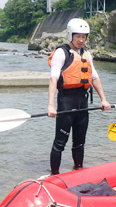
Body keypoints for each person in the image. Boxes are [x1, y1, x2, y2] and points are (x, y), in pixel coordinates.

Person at [47, 18, 111, 174]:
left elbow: (94, 77)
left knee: (79, 143)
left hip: (83, 103)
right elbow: (53, 78)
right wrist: (50, 105)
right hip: (66, 102)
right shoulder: (61, 53)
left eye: (84, 37)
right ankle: (54, 175)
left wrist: (103, 99)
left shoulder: (86, 54)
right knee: (60, 143)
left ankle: (78, 171)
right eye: (78, 36)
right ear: (71, 35)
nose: (81, 40)